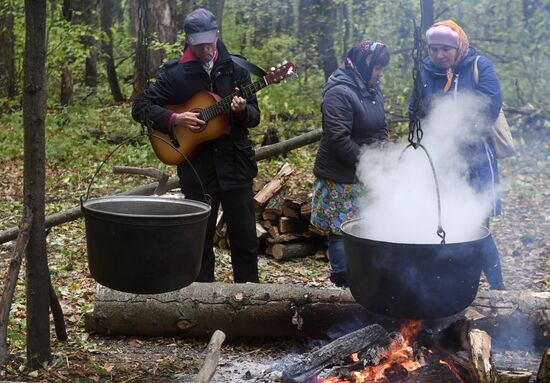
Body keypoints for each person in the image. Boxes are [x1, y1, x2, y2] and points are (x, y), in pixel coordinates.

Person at [132, 8, 260, 283]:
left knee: (246, 240)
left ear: (217, 34)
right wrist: (175, 118)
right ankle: (201, 304)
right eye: (198, 43)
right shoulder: (175, 75)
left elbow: (254, 117)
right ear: (189, 40)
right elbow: (140, 107)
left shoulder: (237, 69)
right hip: (197, 170)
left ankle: (251, 302)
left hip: (236, 165)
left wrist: (240, 111)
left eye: (209, 42)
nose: (205, 49)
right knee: (199, 244)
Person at [409, 20, 505, 290]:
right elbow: (415, 111)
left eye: (445, 50)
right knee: (437, 219)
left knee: (475, 226)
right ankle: (446, 287)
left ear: (458, 47)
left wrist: (458, 144)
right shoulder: (425, 71)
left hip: (475, 162)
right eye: (434, 49)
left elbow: (488, 108)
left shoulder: (478, 67)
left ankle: (499, 289)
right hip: (436, 161)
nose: (439, 55)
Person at [311, 41, 390, 287]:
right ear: (364, 65)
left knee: (369, 228)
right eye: (377, 68)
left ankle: (365, 281)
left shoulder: (372, 88)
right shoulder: (339, 92)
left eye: (382, 68)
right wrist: (369, 165)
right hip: (341, 177)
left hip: (367, 174)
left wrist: (384, 156)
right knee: (341, 232)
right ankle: (342, 283)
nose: (380, 73)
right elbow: (338, 139)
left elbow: (381, 127)